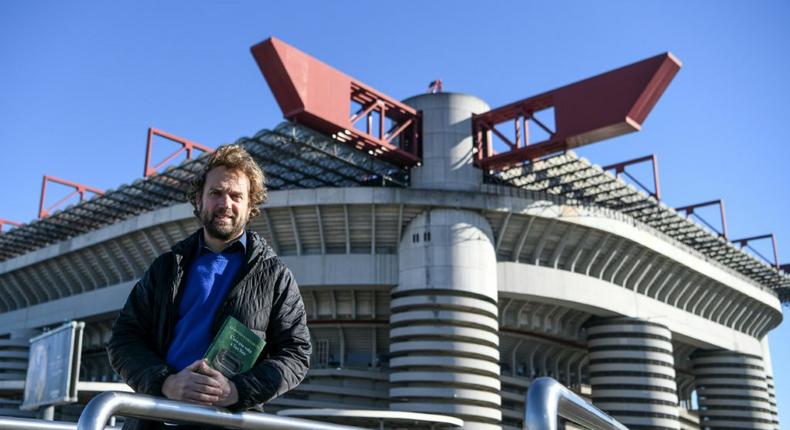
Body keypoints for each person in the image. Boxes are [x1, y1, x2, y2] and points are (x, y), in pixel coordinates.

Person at [107, 145, 311, 429]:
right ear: (199, 201)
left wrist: (237, 391)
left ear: (251, 205)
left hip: (229, 423)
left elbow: (296, 353)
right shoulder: (167, 267)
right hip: (157, 419)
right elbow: (123, 339)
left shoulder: (275, 277)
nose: (225, 203)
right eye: (216, 193)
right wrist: (165, 382)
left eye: (236, 196)